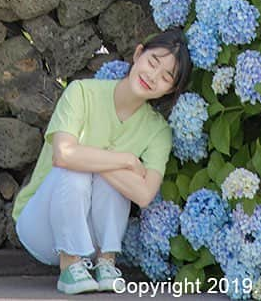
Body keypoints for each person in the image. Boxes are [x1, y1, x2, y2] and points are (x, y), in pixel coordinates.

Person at [12, 28, 192, 295]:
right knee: (75, 172)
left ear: (172, 89)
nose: (152, 77)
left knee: (105, 177)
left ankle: (106, 261)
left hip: (92, 239)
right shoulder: (82, 92)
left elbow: (144, 194)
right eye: (153, 62)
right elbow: (63, 155)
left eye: (166, 77)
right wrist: (126, 160)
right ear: (138, 53)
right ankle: (69, 265)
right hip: (41, 226)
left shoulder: (158, 131)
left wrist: (94, 158)